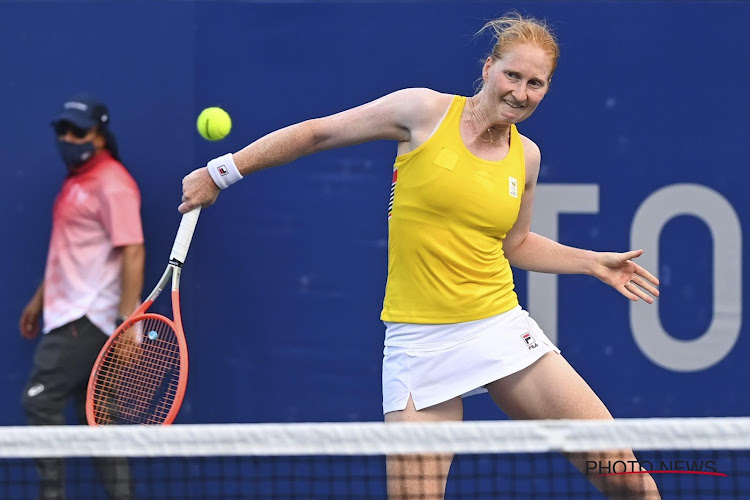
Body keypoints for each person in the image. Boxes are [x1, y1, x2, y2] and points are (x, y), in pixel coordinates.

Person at [178, 12, 661, 500]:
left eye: (536, 84)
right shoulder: (423, 111)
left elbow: (514, 244)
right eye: (512, 75)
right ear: (488, 66)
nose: (520, 92)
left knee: (627, 478)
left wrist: (591, 261)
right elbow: (318, 133)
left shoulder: (526, 156)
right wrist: (221, 173)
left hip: (497, 325)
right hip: (419, 345)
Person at [19, 95, 144, 500]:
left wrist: (128, 323)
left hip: (87, 319)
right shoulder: (76, 180)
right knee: (99, 420)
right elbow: (68, 249)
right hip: (65, 313)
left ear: (101, 136)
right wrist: (40, 300)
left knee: (40, 402)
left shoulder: (113, 183)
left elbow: (134, 250)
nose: (68, 138)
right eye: (62, 130)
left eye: (78, 130)